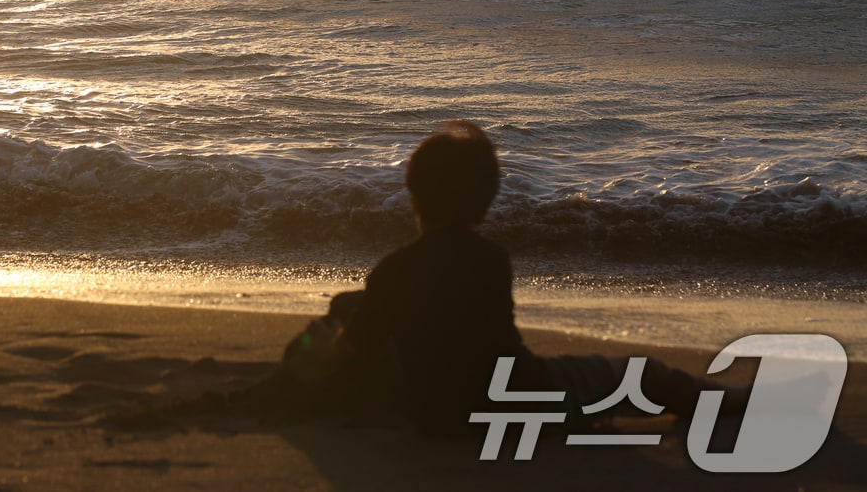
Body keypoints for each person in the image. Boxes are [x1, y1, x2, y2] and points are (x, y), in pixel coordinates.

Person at [280, 120, 743, 434]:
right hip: (513, 397)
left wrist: (325, 342)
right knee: (641, 375)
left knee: (352, 305)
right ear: (486, 205)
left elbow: (355, 349)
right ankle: (729, 405)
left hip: (431, 410)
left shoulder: (393, 271)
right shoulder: (490, 258)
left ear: (413, 196)